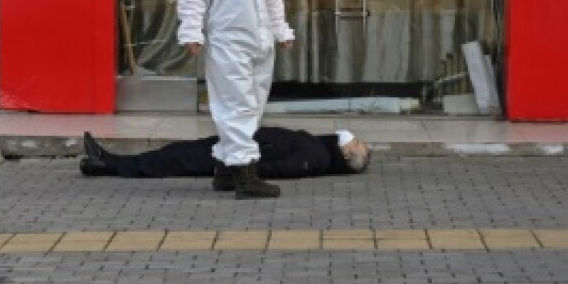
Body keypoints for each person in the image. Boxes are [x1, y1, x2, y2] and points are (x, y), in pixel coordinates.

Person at [176, 0, 294, 200]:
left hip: (261, 41)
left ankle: (224, 168)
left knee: (252, 105)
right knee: (237, 106)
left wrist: (281, 31)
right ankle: (245, 174)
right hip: (227, 41)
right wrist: (191, 31)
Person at [79, 126, 371, 183]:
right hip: (238, 143)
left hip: (237, 154)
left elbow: (282, 167)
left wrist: (239, 169)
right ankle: (105, 163)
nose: (357, 139)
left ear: (347, 154)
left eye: (358, 143)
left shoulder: (317, 157)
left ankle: (107, 163)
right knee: (174, 154)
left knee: (172, 160)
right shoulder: (319, 147)